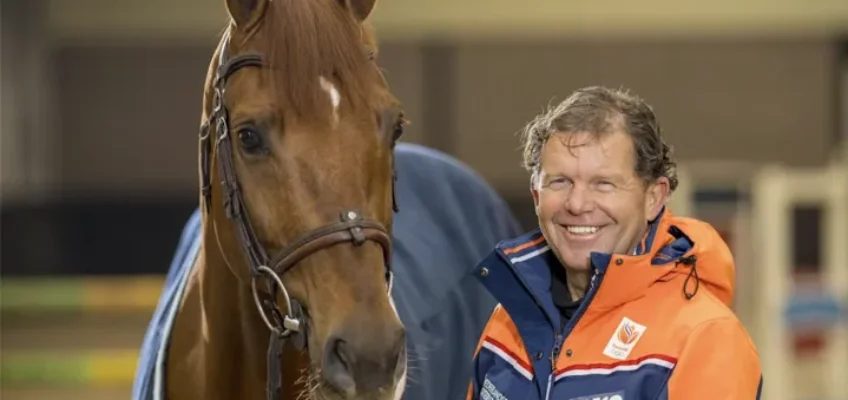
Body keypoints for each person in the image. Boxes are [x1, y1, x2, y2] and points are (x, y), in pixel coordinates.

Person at [465, 86, 762, 399]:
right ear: (536, 196)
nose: (577, 204)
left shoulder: (703, 337)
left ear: (654, 197)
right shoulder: (508, 320)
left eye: (603, 184)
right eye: (560, 181)